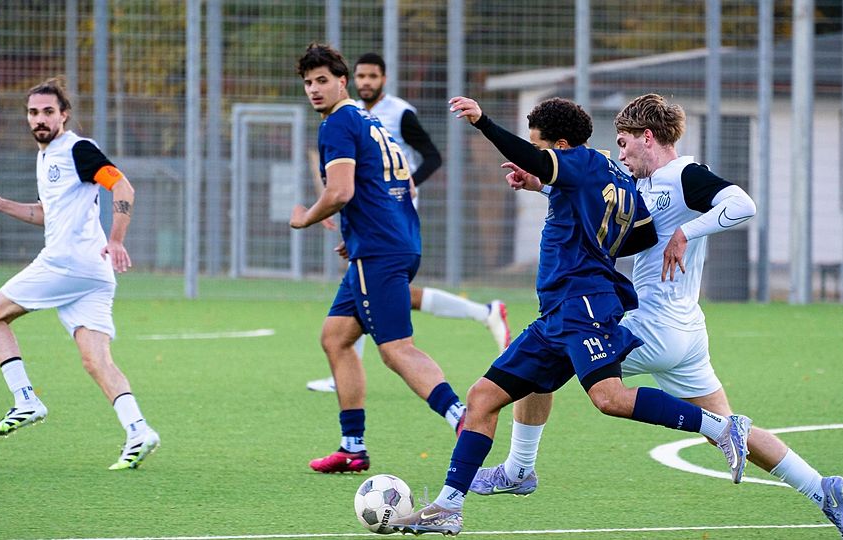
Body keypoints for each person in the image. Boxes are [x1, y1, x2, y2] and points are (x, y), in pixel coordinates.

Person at [468, 93, 843, 540]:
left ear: (647, 137)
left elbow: (742, 204)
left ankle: (519, 469)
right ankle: (822, 488)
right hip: (684, 333)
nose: (620, 153)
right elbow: (597, 206)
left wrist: (684, 232)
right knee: (726, 431)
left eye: (623, 142)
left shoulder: (682, 175)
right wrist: (541, 186)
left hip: (652, 327)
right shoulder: (642, 185)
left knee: (543, 355)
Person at [389, 96, 753, 536]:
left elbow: (545, 165)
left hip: (583, 307)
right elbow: (636, 238)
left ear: (560, 146)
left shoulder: (579, 162)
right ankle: (449, 507)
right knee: (483, 397)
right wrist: (553, 194)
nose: (535, 156)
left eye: (541, 149)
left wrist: (484, 122)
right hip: (559, 311)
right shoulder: (602, 170)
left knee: (609, 398)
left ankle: (720, 426)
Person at [291, 44, 467, 474]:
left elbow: (340, 192)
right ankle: (353, 448)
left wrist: (304, 219)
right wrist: (359, 232)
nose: (314, 90)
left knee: (395, 350)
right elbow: (398, 183)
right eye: (308, 83)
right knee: (336, 337)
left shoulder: (337, 124)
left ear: (342, 81)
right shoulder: (370, 122)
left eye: (322, 81)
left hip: (380, 250)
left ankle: (465, 418)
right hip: (389, 243)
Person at [0, 77, 160, 470]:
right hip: (91, 272)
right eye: (33, 112)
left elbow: (122, 187)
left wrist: (118, 238)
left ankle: (25, 398)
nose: (39, 119)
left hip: (67, 263)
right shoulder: (46, 158)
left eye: (47, 112)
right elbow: (46, 214)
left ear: (64, 115)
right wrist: (2, 204)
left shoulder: (77, 149)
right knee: (96, 361)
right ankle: (138, 430)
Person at [305, 52, 510, 394]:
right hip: (373, 219)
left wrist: (406, 183)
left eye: (372, 76)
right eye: (362, 76)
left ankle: (454, 406)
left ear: (383, 78)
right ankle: (483, 312)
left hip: (390, 218)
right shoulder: (355, 113)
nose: (366, 82)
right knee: (369, 294)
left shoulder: (397, 112)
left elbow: (431, 155)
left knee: (383, 317)